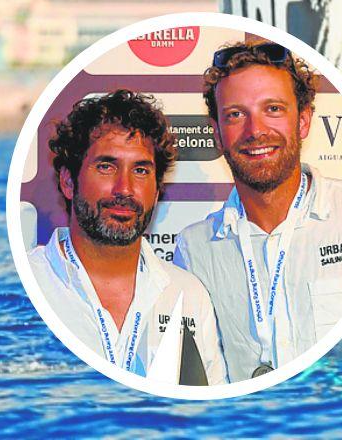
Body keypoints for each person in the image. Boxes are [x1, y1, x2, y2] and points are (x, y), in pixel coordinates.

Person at [175, 41, 342, 382]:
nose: (255, 131)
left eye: (272, 109)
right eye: (236, 114)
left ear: (302, 122)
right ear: (217, 133)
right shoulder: (193, 250)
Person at [27, 90, 227, 385]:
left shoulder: (187, 294)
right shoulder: (30, 282)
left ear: (157, 191)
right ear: (69, 182)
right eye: (106, 167)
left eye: (141, 170)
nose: (125, 188)